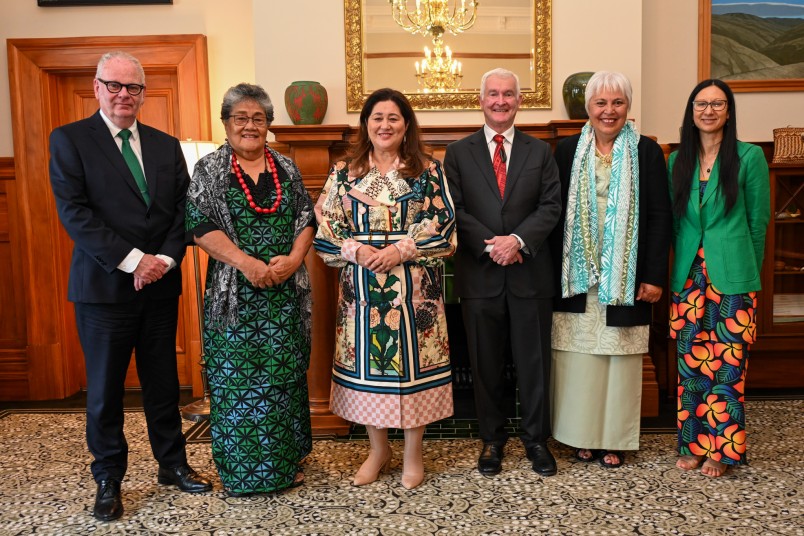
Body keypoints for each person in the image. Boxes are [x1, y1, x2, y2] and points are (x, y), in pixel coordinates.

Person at [48, 51, 211, 522]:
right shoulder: (71, 141)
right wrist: (134, 261)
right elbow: (76, 213)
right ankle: (108, 479)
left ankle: (172, 464)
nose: (124, 95)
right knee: (104, 391)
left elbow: (183, 208)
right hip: (103, 290)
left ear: (143, 93)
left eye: (133, 88)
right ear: (97, 87)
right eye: (115, 86)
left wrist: (162, 258)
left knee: (163, 384)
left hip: (160, 286)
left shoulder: (165, 145)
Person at [314, 88, 456, 490]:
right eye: (377, 117)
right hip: (360, 292)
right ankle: (378, 450)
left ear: (406, 125)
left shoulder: (428, 170)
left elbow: (444, 226)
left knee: (411, 372)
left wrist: (400, 249)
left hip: (414, 290)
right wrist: (358, 250)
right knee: (370, 369)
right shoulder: (344, 172)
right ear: (366, 124)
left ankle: (413, 454)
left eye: (393, 118)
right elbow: (326, 226)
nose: (385, 125)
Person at [186, 83, 315, 496]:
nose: (249, 126)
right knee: (236, 380)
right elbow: (199, 225)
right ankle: (243, 473)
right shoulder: (209, 169)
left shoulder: (287, 167)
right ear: (226, 124)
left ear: (268, 125)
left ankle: (284, 465)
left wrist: (295, 258)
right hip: (233, 297)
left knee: (283, 379)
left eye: (258, 118)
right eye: (240, 118)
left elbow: (307, 219)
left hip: (284, 294)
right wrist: (248, 264)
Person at [549, 71, 672, 469]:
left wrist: (653, 276)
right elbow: (553, 216)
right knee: (579, 360)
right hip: (577, 277)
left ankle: (613, 440)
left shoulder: (647, 152)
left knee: (618, 361)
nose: (609, 110)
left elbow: (659, 217)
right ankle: (580, 437)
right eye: (600, 103)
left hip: (626, 278)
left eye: (617, 102)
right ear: (588, 108)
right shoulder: (567, 151)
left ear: (628, 107)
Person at [444, 68, 562, 477]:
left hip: (530, 276)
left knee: (534, 365)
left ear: (519, 101)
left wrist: (517, 242)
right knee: (485, 364)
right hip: (480, 276)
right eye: (493, 94)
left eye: (508, 94)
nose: (500, 101)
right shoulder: (458, 153)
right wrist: (493, 245)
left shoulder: (540, 151)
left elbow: (550, 207)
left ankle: (536, 440)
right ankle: (492, 440)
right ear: (481, 100)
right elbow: (454, 210)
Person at [669, 79, 770, 478]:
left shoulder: (749, 158)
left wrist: (748, 272)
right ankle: (692, 444)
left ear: (729, 112)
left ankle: (723, 451)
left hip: (734, 277)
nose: (708, 111)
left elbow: (759, 223)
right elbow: (675, 222)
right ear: (691, 111)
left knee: (727, 366)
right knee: (691, 367)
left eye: (717, 104)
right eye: (701, 104)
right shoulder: (677, 160)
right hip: (689, 278)